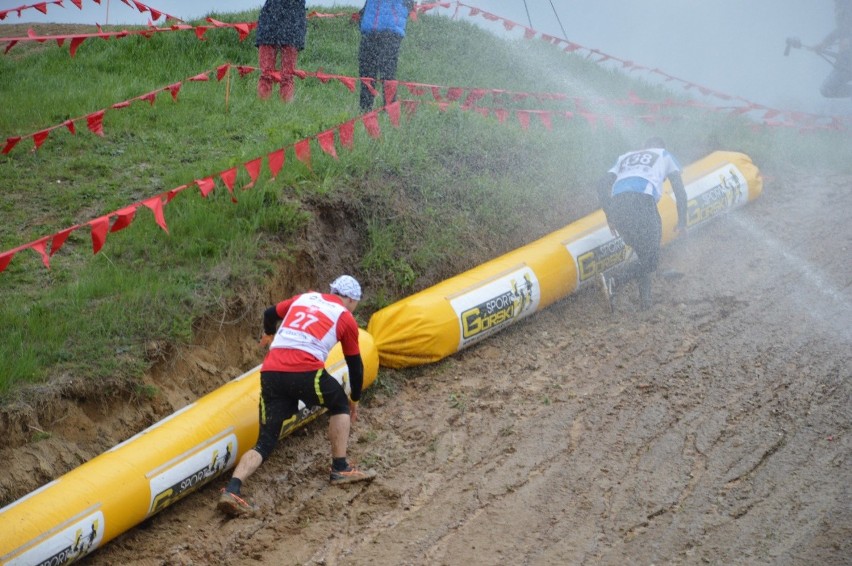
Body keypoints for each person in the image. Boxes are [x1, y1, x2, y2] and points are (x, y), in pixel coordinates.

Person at [218, 275, 376, 517]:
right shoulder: (345, 317)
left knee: (266, 440)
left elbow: (270, 313)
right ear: (352, 300)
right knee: (339, 404)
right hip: (305, 369)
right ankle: (340, 468)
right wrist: (354, 399)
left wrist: (270, 334)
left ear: (332, 289)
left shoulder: (305, 297)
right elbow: (355, 366)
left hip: (271, 372)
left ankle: (232, 489)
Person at [596, 137, 688, 312]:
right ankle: (613, 279)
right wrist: (683, 220)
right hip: (642, 201)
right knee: (651, 260)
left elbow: (601, 185)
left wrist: (610, 216)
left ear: (643, 147)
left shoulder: (625, 157)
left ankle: (645, 302)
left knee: (642, 253)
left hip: (618, 205)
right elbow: (679, 189)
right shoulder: (664, 154)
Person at [357, 0, 416, 112]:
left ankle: (390, 113)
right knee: (366, 75)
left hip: (390, 32)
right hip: (369, 30)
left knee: (388, 76)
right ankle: (365, 111)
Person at [255, 0, 307, 101]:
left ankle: (285, 110)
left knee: (287, 76)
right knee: (266, 74)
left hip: (292, 26)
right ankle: (262, 108)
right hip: (270, 25)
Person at [817, 0, 852, 98]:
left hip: (846, 64)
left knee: (827, 89)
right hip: (844, 63)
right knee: (827, 89)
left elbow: (844, 29)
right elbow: (843, 30)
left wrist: (824, 43)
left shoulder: (846, 8)